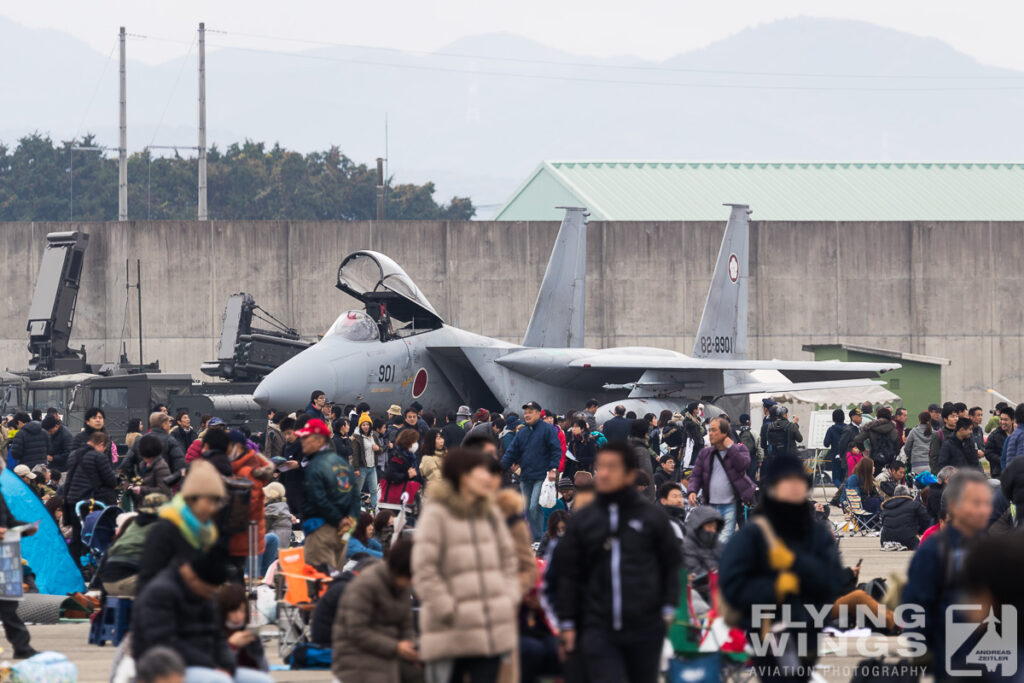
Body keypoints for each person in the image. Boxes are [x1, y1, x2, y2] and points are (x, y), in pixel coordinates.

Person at [554, 441, 681, 683]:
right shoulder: (583, 520)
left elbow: (671, 563)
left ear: (630, 474)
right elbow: (568, 573)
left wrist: (667, 608)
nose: (604, 473)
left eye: (612, 467)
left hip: (645, 627)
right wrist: (568, 622)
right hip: (597, 628)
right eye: (600, 467)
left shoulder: (652, 517)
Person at [719, 454, 844, 682]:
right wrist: (774, 588)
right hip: (766, 631)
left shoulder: (817, 534)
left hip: (809, 630)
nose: (796, 487)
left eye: (800, 481)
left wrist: (796, 565)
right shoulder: (753, 534)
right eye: (788, 481)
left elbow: (833, 580)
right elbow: (732, 586)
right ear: (773, 487)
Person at [413, 448, 519, 683]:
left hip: (490, 629)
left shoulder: (491, 514)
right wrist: (447, 609)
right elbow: (424, 570)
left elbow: (510, 563)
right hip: (450, 630)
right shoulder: (436, 515)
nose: (487, 477)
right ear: (463, 476)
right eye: (480, 472)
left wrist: (508, 599)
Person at [902, 469, 993, 678]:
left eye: (986, 503)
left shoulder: (994, 549)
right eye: (975, 503)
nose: (983, 510)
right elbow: (914, 605)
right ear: (954, 506)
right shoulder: (933, 551)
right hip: (950, 657)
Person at [133, 550, 272, 683]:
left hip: (207, 663)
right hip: (167, 667)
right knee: (219, 681)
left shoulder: (203, 592)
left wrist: (228, 666)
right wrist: (212, 665)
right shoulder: (159, 594)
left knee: (261, 680)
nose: (209, 595)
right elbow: (164, 642)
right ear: (193, 577)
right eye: (207, 590)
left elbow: (218, 636)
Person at [332, 538, 417, 683]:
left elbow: (406, 624)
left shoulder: (402, 586)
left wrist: (410, 644)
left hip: (387, 652)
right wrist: (396, 646)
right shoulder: (366, 585)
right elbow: (357, 632)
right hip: (356, 657)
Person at [137, 460, 226, 591]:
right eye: (209, 501)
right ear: (192, 498)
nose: (213, 508)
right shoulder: (165, 530)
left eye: (217, 502)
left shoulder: (208, 533)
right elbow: (147, 580)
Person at [300, 418, 360, 571]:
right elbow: (355, 496)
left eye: (306, 438)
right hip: (344, 532)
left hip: (321, 530)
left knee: (318, 582)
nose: (302, 442)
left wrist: (338, 519)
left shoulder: (315, 466)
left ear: (319, 440)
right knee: (335, 580)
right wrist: (350, 522)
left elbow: (318, 499)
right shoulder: (342, 463)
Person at [686, 416, 754, 545]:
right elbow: (696, 475)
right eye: (709, 430)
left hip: (730, 505)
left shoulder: (739, 449)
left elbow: (743, 465)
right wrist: (692, 491)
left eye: (714, 430)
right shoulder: (705, 453)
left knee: (722, 541)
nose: (710, 433)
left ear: (725, 433)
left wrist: (731, 447)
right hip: (710, 505)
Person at [501, 401, 562, 540]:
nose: (526, 415)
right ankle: (535, 538)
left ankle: (539, 538)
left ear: (538, 413)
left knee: (535, 506)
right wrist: (499, 469)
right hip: (526, 475)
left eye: (530, 412)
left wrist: (553, 469)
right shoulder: (521, 432)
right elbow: (511, 452)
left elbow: (556, 450)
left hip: (541, 475)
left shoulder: (548, 429)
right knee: (527, 509)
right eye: (525, 412)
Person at [225, 430, 273, 578]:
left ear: (237, 446)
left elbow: (248, 507)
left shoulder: (246, 472)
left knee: (247, 580)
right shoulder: (244, 467)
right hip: (250, 535)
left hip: (246, 535)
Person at [100, 493, 168, 596]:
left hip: (107, 583)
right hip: (129, 582)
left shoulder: (132, 524)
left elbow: (108, 553)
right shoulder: (161, 527)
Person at [0, 487, 39, 658]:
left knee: (8, 603)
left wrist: (25, 528)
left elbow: (9, 522)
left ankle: (22, 647)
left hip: (5, 553)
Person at [215, 583, 269, 674]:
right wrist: (232, 645)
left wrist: (258, 652)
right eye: (233, 611)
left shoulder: (247, 631)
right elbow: (217, 666)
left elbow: (265, 669)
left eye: (242, 610)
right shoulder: (215, 631)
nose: (238, 616)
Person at [879, 484, 930, 550]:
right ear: (908, 494)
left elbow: (882, 523)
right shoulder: (915, 505)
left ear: (895, 494)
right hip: (909, 540)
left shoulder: (886, 506)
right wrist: (920, 531)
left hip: (886, 540)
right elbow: (926, 519)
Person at [127, 434, 173, 504]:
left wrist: (141, 490)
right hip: (146, 505)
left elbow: (164, 490)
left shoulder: (161, 466)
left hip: (158, 507)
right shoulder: (143, 464)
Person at [350, 413, 383, 509]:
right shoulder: (356, 438)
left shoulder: (374, 436)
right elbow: (355, 454)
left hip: (372, 467)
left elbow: (380, 450)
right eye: (363, 425)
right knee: (357, 490)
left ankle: (374, 508)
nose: (366, 427)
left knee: (373, 490)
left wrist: (378, 449)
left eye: (367, 424)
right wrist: (356, 468)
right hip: (361, 467)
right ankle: (355, 509)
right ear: (360, 426)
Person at [627, 419, 657, 501]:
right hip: (642, 496)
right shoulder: (641, 450)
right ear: (645, 433)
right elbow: (647, 473)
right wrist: (651, 496)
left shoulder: (627, 447)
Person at [903, 411, 940, 476]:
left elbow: (907, 448)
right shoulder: (934, 433)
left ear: (919, 420)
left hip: (916, 464)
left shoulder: (914, 431)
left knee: (917, 485)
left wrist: (912, 457)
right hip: (930, 465)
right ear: (930, 420)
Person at [262, 482, 294, 550]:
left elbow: (262, 530)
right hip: (282, 549)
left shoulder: (272, 509)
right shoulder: (283, 507)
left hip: (272, 550)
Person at [985, 405, 1014, 478]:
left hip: (1015, 471)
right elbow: (988, 453)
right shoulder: (994, 435)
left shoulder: (1017, 434)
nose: (1002, 422)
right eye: (1001, 419)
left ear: (1013, 420)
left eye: (1006, 420)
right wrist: (1002, 460)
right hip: (999, 473)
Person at [822, 408, 847, 488]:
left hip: (835, 456)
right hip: (846, 456)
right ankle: (843, 496)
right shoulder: (848, 428)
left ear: (833, 418)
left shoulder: (831, 429)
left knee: (836, 478)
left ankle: (843, 492)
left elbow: (826, 444)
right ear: (843, 417)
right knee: (844, 478)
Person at [736, 413, 760, 482]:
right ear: (749, 422)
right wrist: (759, 460)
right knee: (752, 478)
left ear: (740, 422)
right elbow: (759, 448)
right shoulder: (754, 433)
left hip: (740, 459)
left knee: (740, 479)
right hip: (752, 459)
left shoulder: (736, 433)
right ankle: (752, 492)